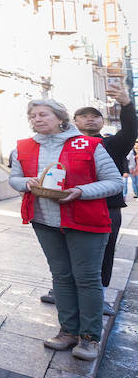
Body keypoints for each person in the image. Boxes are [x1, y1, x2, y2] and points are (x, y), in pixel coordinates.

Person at [9, 98, 122, 362]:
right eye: (33, 115)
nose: (37, 119)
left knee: (86, 278)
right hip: (44, 220)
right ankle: (68, 330)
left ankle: (90, 337)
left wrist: (81, 191)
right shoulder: (22, 147)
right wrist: (27, 182)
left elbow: (114, 182)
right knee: (61, 276)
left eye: (43, 114)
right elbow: (14, 178)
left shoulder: (90, 144)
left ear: (61, 117)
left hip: (86, 220)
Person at [71, 87, 136, 316]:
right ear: (74, 121)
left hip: (107, 207)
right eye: (84, 115)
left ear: (101, 122)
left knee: (105, 251)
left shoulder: (112, 145)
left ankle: (100, 296)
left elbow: (129, 131)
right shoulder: (66, 144)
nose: (91, 118)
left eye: (95, 115)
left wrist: (127, 105)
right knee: (69, 252)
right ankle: (63, 291)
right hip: (72, 206)